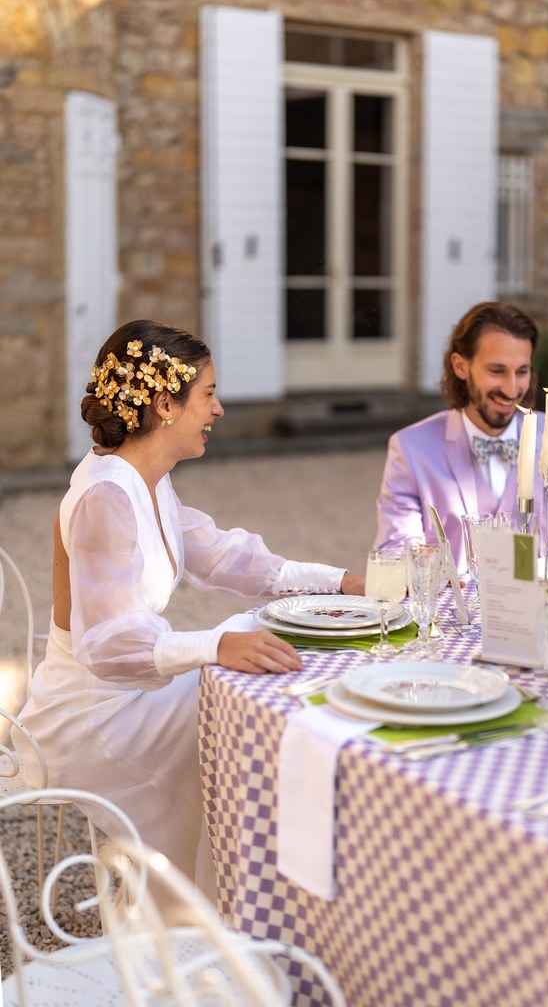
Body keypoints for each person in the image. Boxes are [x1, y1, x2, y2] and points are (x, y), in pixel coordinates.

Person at [15, 319, 364, 896]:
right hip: (93, 718)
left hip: (130, 697)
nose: (219, 409)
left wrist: (336, 583)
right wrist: (215, 645)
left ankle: (247, 890)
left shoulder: (146, 481)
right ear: (164, 404)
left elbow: (226, 556)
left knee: (256, 691)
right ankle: (223, 904)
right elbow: (105, 645)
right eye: (208, 394)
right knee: (244, 713)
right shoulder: (106, 494)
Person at [374, 301, 548, 572]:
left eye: (522, 371)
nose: (512, 389)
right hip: (455, 612)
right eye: (497, 371)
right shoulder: (410, 448)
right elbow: (394, 555)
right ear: (461, 366)